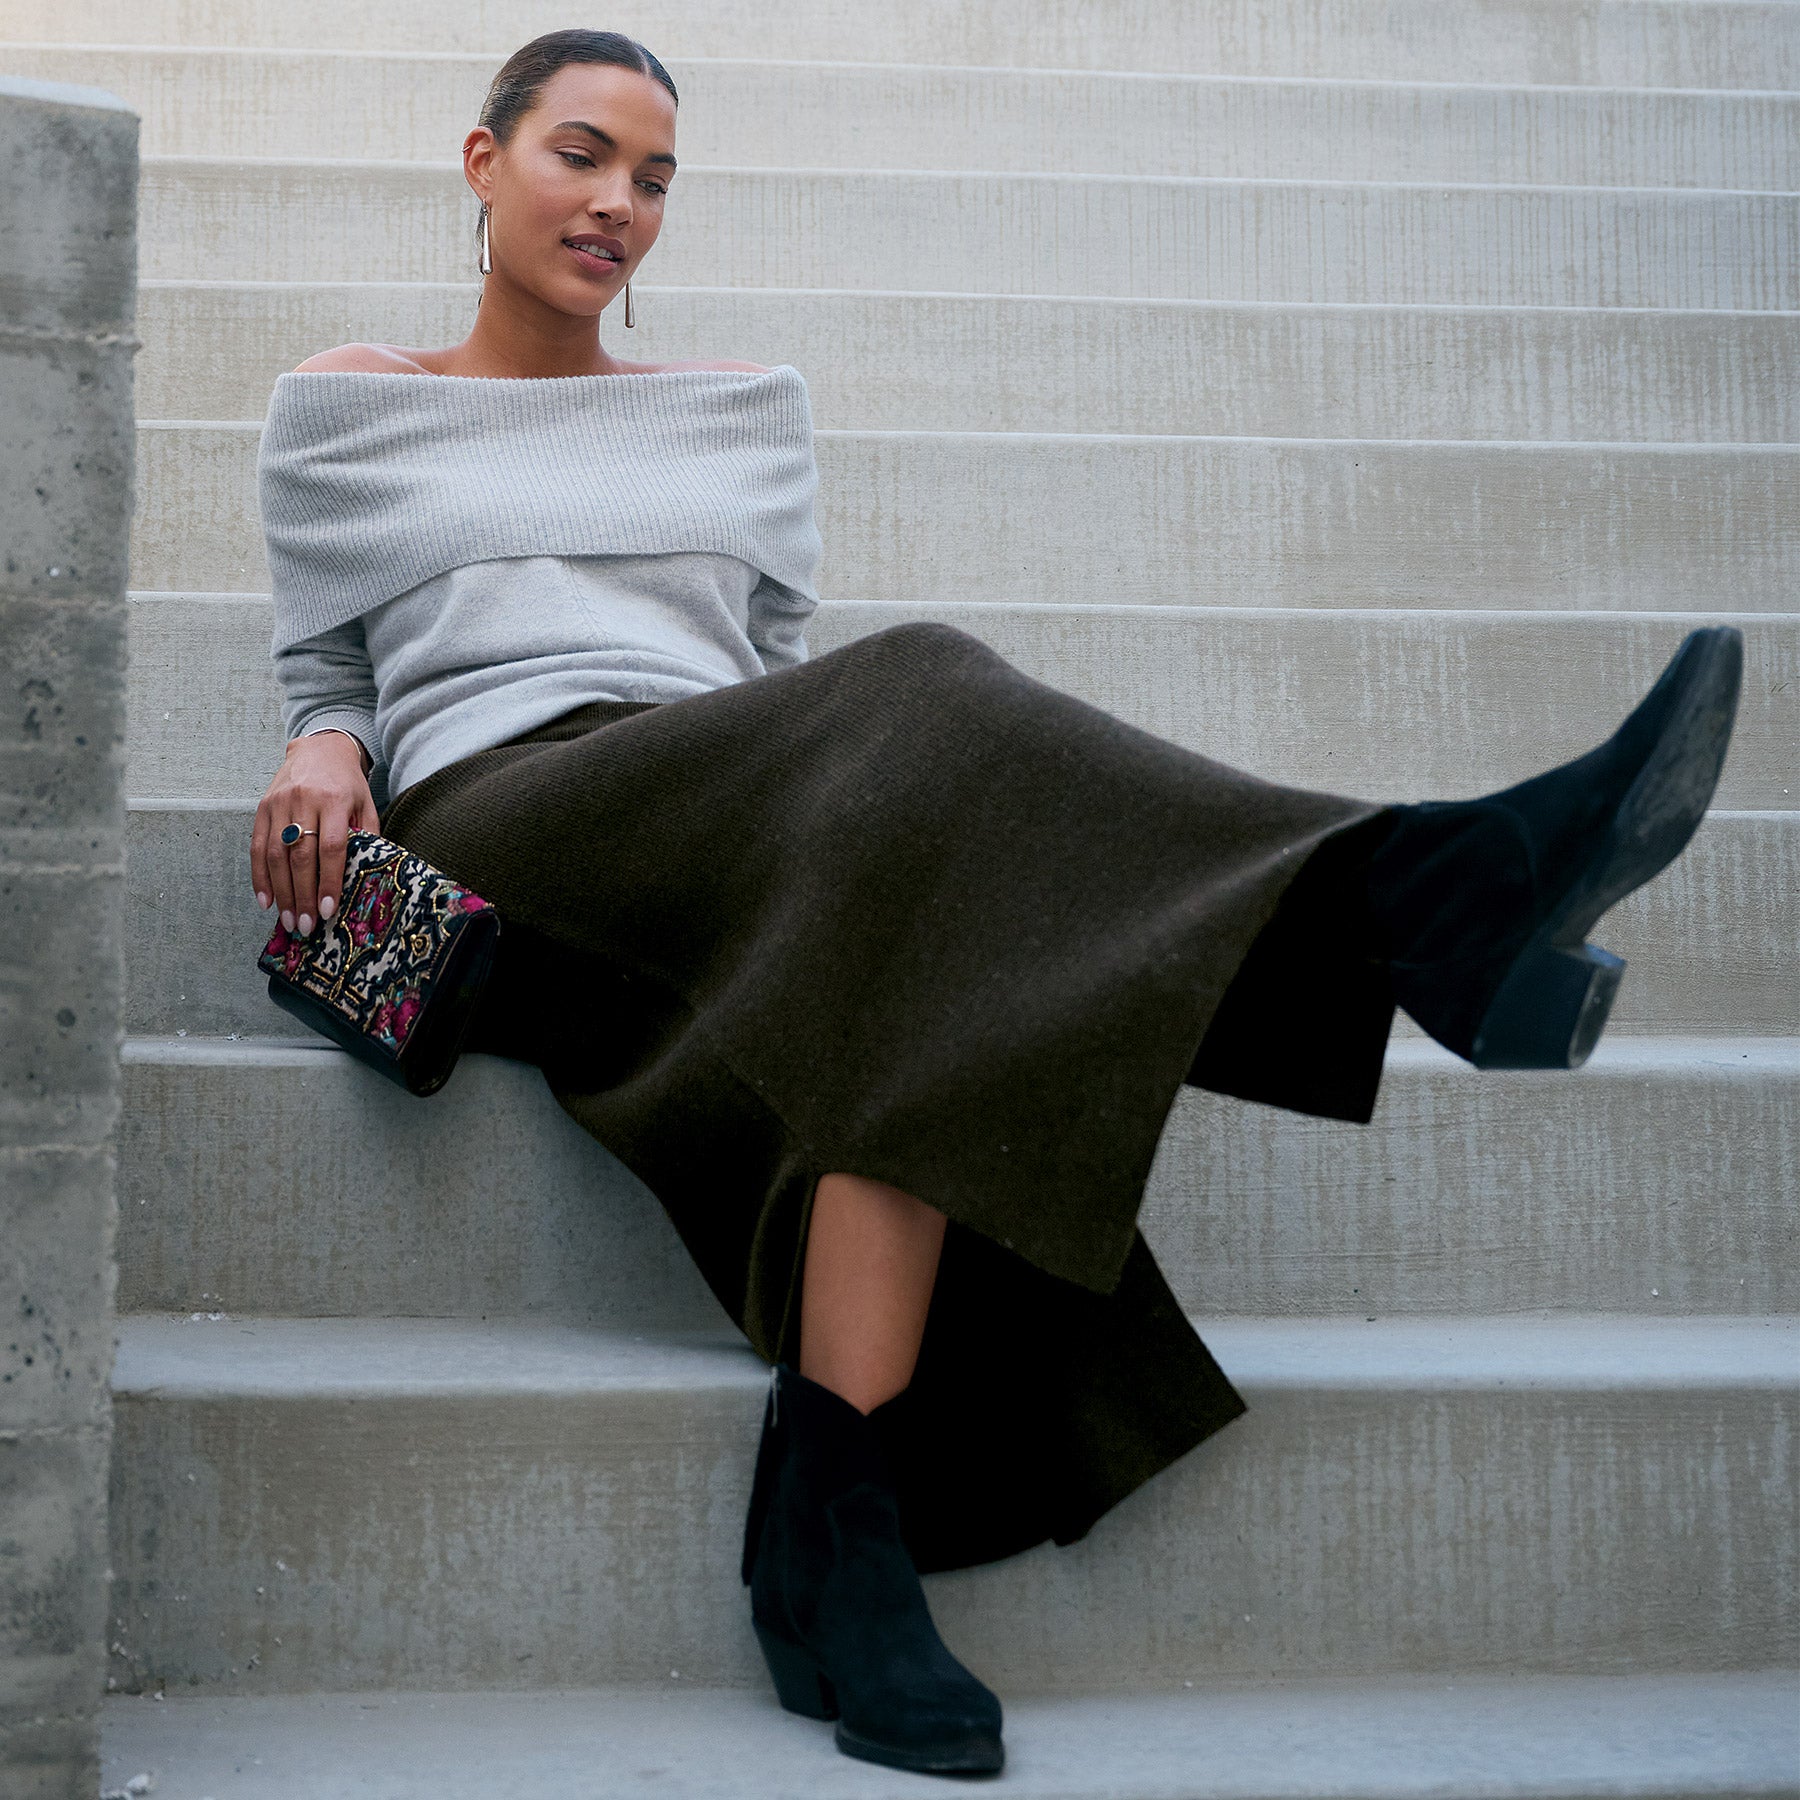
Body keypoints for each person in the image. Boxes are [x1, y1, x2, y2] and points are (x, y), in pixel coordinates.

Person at [247, 29, 1743, 1780]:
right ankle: (1409, 900)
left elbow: (763, 681)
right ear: (484, 158)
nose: (618, 206)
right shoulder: (352, 397)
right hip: (508, 816)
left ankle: (839, 1536)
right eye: (580, 155)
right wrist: (326, 741)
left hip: (712, 800)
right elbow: (327, 660)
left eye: (653, 178)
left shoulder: (743, 410)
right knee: (929, 682)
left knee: (922, 947)